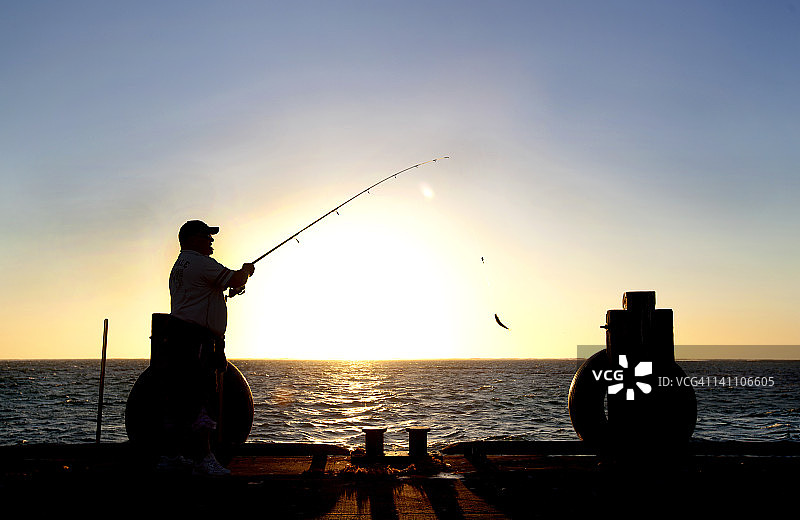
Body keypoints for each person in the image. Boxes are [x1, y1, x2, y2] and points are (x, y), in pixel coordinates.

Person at [158, 220, 255, 476]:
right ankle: (204, 459)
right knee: (202, 398)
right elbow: (234, 278)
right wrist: (245, 271)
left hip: (179, 337)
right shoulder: (201, 262)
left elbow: (214, 289)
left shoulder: (180, 266)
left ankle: (173, 456)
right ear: (190, 238)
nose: (211, 240)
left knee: (180, 398)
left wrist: (233, 286)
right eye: (205, 235)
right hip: (197, 340)